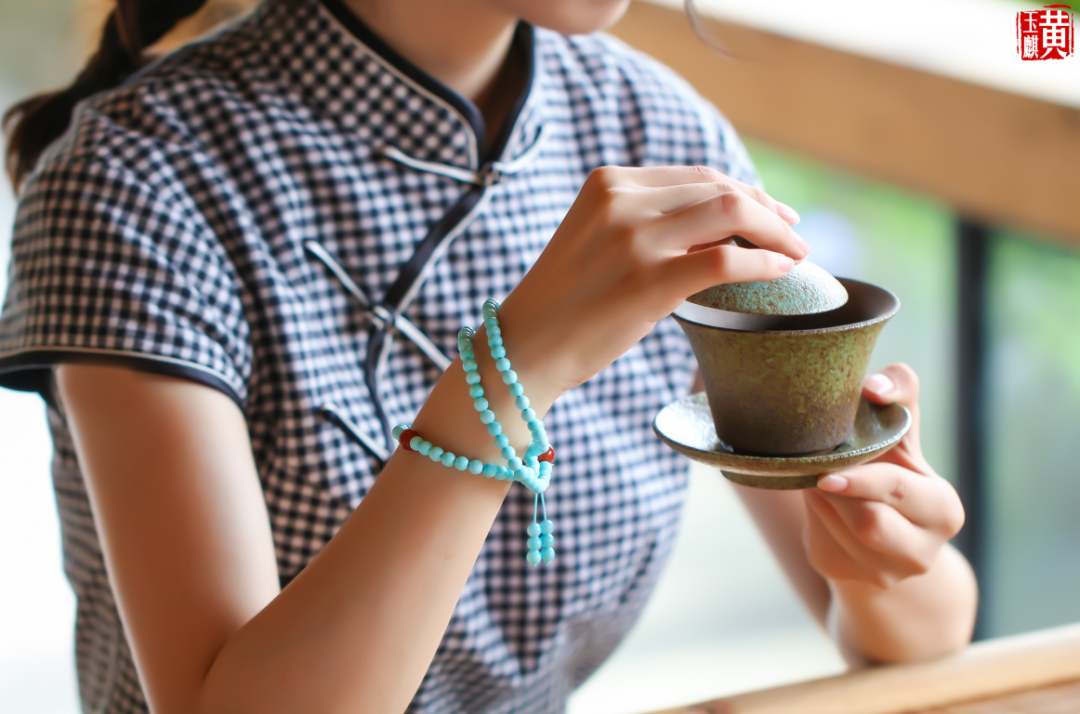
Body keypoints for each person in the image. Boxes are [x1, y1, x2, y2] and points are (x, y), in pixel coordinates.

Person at [0, 0, 977, 712]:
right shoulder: (133, 180)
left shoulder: (653, 127)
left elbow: (918, 639)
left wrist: (885, 559)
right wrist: (507, 376)